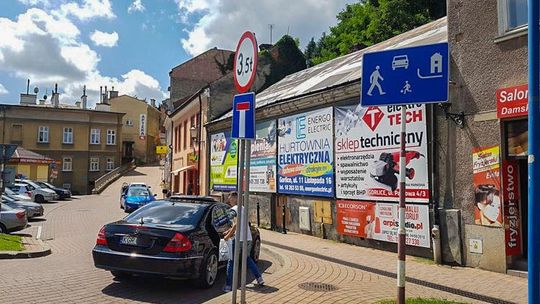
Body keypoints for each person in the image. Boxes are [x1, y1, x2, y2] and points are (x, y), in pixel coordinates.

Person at [223, 192, 264, 292]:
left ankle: (228, 286)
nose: (229, 199)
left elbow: (236, 224)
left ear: (234, 198)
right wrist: (229, 231)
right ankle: (259, 278)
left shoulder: (234, 210)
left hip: (238, 239)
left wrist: (227, 236)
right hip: (248, 238)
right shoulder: (243, 208)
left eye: (230, 198)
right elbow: (240, 224)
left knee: (231, 261)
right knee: (247, 259)